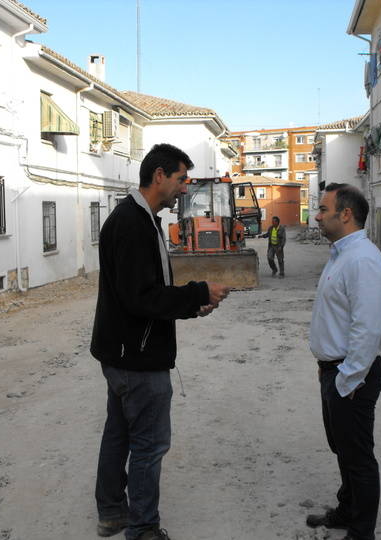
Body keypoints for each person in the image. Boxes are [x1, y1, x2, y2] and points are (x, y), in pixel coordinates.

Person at [90, 143, 231, 540]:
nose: (184, 188)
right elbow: (142, 297)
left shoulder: (139, 218)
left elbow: (144, 292)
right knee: (149, 446)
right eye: (181, 179)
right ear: (158, 176)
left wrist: (188, 306)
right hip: (137, 360)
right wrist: (198, 293)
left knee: (118, 435)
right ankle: (142, 528)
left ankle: (112, 513)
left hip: (122, 353)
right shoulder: (133, 223)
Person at [306, 183, 381, 540]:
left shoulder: (363, 260)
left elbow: (367, 328)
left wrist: (348, 379)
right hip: (336, 371)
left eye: (324, 209)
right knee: (343, 448)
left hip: (351, 374)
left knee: (358, 457)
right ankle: (347, 510)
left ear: (346, 214)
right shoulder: (342, 255)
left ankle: (361, 532)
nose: (317, 215)